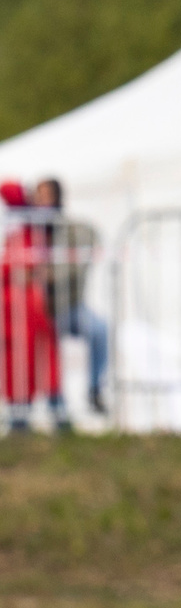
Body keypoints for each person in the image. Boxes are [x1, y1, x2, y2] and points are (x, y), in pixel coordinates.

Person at [26, 180, 106, 419]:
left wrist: (51, 274)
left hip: (66, 306)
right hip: (35, 311)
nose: (43, 203)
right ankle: (44, 403)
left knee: (99, 330)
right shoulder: (26, 229)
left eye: (47, 196)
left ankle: (94, 389)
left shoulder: (70, 229)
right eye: (38, 197)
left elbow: (86, 249)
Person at [0, 183, 62, 434]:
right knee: (16, 358)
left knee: (31, 356)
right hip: (12, 303)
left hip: (25, 304)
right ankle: (20, 412)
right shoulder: (20, 229)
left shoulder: (31, 229)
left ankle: (41, 409)